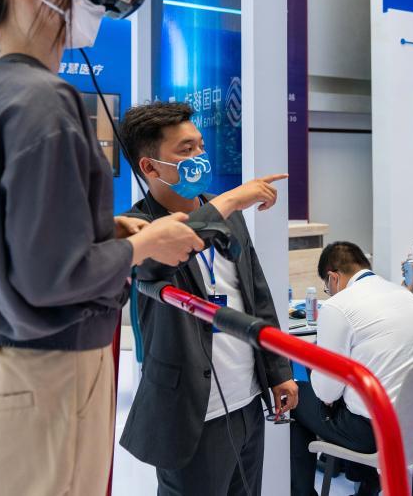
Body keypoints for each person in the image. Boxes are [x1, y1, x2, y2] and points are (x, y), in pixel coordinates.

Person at [0, 0, 203, 496]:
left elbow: (16, 239)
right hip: (47, 380)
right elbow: (51, 278)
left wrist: (107, 230)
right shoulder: (44, 100)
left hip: (10, 368)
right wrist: (143, 247)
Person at [117, 101, 298, 495]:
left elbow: (257, 295)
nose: (200, 156)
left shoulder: (226, 213)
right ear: (150, 167)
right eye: (186, 150)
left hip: (247, 399)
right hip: (190, 414)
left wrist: (278, 371)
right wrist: (230, 200)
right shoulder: (137, 229)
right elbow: (159, 261)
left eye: (200, 146)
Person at [291, 242, 413, 496]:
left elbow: (326, 393)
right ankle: (364, 478)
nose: (330, 293)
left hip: (375, 432)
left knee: (294, 396)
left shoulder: (338, 307)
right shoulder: (402, 293)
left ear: (333, 277)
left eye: (327, 288)